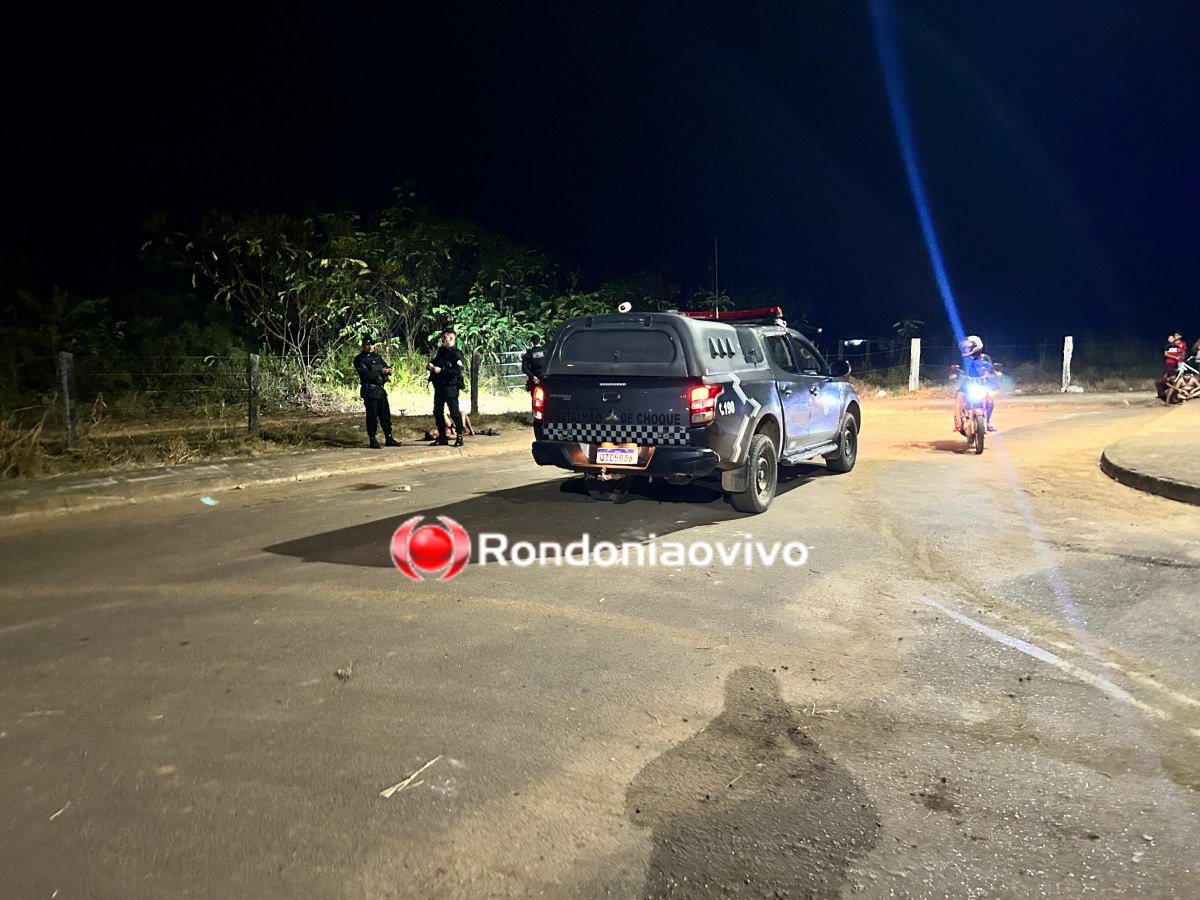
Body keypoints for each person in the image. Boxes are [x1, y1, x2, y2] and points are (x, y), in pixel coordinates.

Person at [353, 334, 400, 449]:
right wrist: (381, 371)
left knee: (385, 414)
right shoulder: (359, 359)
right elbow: (365, 374)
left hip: (380, 389)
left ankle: (389, 437)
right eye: (367, 344)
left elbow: (383, 368)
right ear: (363, 345)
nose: (370, 347)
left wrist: (388, 371)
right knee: (372, 416)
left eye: (372, 344)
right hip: (370, 390)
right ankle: (373, 439)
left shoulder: (377, 357)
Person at [427, 326, 466, 446]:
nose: (443, 340)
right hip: (439, 386)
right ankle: (442, 437)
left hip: (450, 386)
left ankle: (459, 436)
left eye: (445, 337)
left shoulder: (456, 354)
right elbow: (435, 361)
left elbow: (456, 371)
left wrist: (441, 371)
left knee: (454, 412)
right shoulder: (441, 352)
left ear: (451, 338)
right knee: (438, 411)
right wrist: (430, 365)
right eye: (442, 337)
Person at [953, 334, 996, 434]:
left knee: (991, 400)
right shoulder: (965, 359)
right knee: (959, 397)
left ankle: (988, 421)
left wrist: (991, 374)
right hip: (969, 383)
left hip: (983, 383)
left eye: (968, 348)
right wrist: (957, 374)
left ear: (976, 347)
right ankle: (958, 422)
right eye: (965, 348)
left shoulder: (985, 358)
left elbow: (990, 369)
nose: (966, 350)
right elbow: (960, 370)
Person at [1157, 331, 1187, 401]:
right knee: (1167, 375)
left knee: (1175, 375)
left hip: (1175, 363)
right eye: (1170, 338)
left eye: (1172, 337)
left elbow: (1181, 352)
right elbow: (1166, 354)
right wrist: (1175, 357)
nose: (1171, 339)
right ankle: (1162, 388)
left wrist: (1181, 356)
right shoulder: (1167, 345)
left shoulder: (1176, 345)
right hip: (1169, 362)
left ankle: (1174, 391)